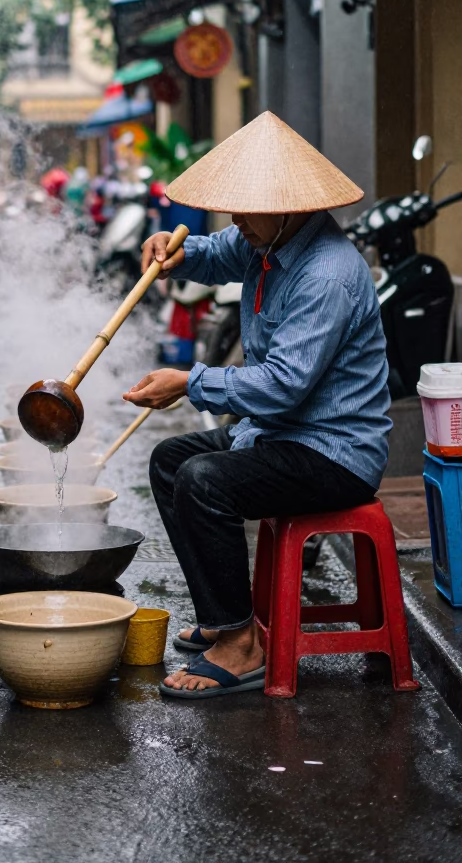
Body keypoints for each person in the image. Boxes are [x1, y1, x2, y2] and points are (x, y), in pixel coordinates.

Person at [123, 111, 390, 700]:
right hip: (280, 437)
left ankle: (242, 649)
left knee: (204, 480)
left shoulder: (327, 274)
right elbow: (214, 251)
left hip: (333, 453)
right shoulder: (267, 240)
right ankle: (225, 620)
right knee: (171, 460)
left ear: (288, 207)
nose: (234, 221)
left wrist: (188, 381)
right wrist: (177, 250)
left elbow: (279, 387)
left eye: (245, 210)